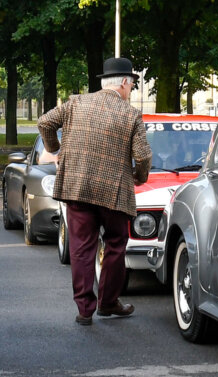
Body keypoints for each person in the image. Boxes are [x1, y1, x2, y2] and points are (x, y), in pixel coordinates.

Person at [36, 57, 151, 325]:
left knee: (81, 247)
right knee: (115, 244)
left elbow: (44, 123)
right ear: (124, 82)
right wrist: (139, 177)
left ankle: (84, 310)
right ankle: (108, 303)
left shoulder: (76, 103)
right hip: (114, 192)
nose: (131, 89)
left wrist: (55, 149)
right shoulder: (130, 114)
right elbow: (143, 156)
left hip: (78, 188)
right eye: (132, 84)